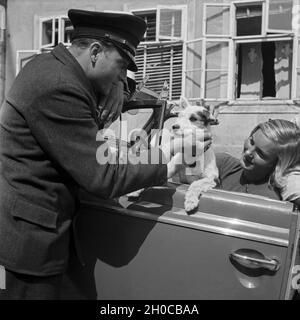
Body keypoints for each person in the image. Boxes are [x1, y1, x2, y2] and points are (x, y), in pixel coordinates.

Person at [0, 9, 211, 299]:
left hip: (56, 227)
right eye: (121, 66)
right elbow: (105, 175)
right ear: (96, 52)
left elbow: (112, 80)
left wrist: (119, 85)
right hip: (34, 240)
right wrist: (165, 159)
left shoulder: (58, 65)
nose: (122, 75)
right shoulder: (59, 87)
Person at [216, 119, 300, 206]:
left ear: (277, 164)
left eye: (260, 153)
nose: (248, 153)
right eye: (251, 142)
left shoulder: (271, 201)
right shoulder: (223, 164)